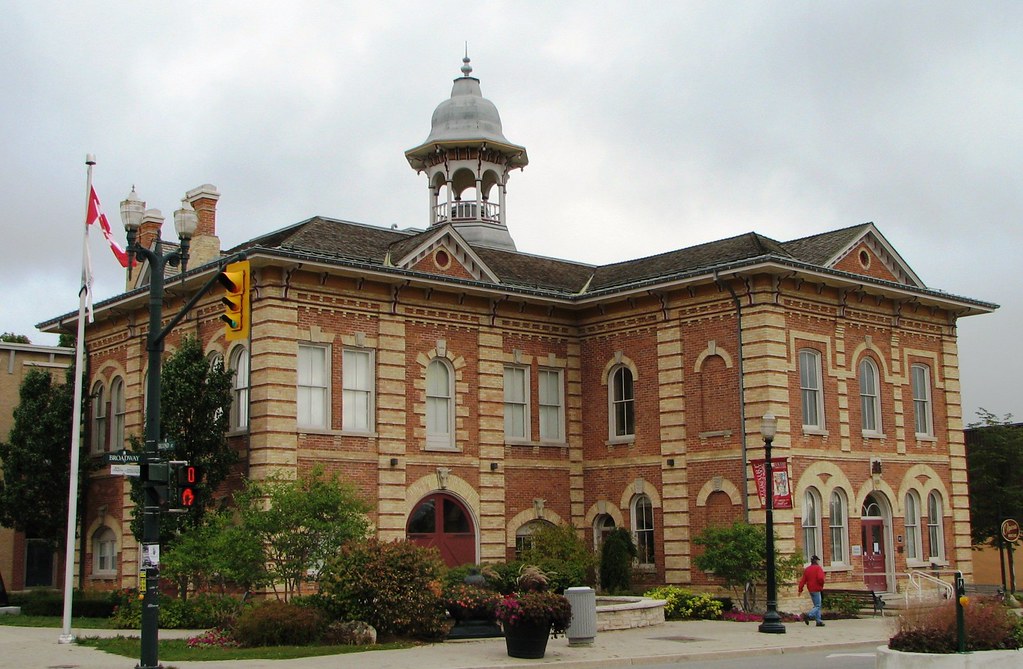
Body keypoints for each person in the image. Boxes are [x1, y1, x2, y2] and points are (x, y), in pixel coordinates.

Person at [797, 554, 826, 627]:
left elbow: (803, 581)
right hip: (817, 588)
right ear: (816, 561)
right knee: (818, 605)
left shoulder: (807, 569)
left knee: (816, 605)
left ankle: (818, 621)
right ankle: (809, 615)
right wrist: (821, 585)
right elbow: (821, 579)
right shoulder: (818, 568)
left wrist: (800, 590)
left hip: (810, 589)